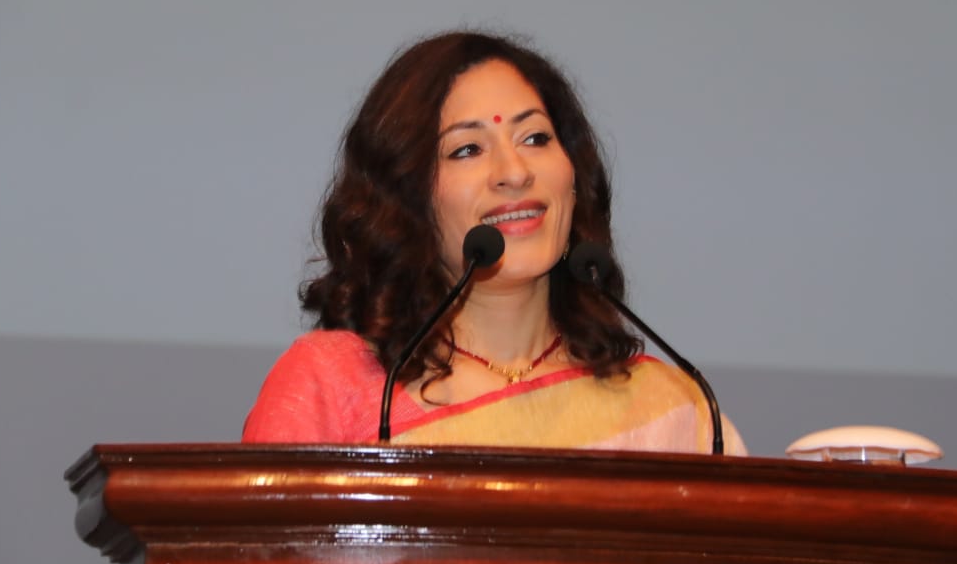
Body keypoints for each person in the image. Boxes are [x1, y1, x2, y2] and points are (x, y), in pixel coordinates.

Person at [242, 30, 746, 455]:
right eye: (467, 149)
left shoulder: (672, 408)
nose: (515, 172)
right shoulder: (332, 388)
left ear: (575, 177)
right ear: (408, 198)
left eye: (536, 138)